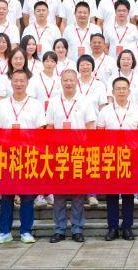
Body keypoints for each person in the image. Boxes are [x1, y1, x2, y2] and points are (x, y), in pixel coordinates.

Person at [0, 69, 44, 244]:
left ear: (27, 83)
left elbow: (40, 130)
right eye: (16, 80)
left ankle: (26, 231)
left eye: (22, 80)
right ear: (11, 82)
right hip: (7, 155)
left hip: (28, 155)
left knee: (27, 195)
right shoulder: (2, 105)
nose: (19, 83)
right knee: (6, 195)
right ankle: (4, 231)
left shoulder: (36, 104)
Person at [44, 70, 97, 243]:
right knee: (59, 193)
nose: (68, 83)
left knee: (78, 193)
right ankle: (59, 229)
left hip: (78, 152)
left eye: (71, 80)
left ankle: (77, 229)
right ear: (61, 82)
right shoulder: (54, 102)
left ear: (77, 82)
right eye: (65, 80)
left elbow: (90, 127)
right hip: (59, 152)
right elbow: (49, 127)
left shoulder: (85, 101)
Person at [97, 76, 138, 240]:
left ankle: (127, 227)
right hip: (110, 156)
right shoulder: (105, 111)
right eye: (118, 88)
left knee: (128, 194)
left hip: (130, 156)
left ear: (129, 91)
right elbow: (99, 136)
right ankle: (112, 227)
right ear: (113, 91)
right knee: (111, 194)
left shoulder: (137, 110)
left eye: (124, 88)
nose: (121, 91)